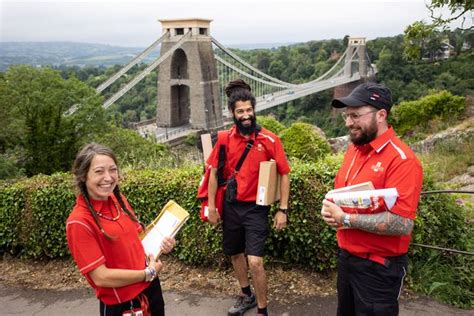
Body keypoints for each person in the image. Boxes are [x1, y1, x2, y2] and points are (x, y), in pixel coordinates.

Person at [321, 82, 423, 316]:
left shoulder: (402, 160)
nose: (348, 123)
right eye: (346, 116)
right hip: (347, 260)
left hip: (379, 268)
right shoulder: (355, 150)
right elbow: (344, 197)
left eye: (355, 115)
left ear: (381, 114)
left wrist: (345, 218)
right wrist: (331, 210)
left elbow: (402, 223)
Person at [206, 79, 291, 316]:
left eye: (249, 110)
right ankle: (246, 295)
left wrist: (282, 209)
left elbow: (285, 174)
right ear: (232, 113)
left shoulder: (270, 139)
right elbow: (213, 174)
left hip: (256, 208)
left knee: (255, 261)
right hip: (231, 206)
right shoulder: (224, 139)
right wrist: (212, 207)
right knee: (235, 253)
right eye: (240, 111)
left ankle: (262, 310)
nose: (246, 115)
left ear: (254, 110)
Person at [66, 143, 176, 316]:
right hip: (123, 303)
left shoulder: (119, 201)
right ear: (83, 176)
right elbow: (101, 277)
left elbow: (138, 239)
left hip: (150, 289)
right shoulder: (79, 222)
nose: (108, 177)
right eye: (99, 171)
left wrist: (161, 243)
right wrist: (148, 273)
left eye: (113, 170)